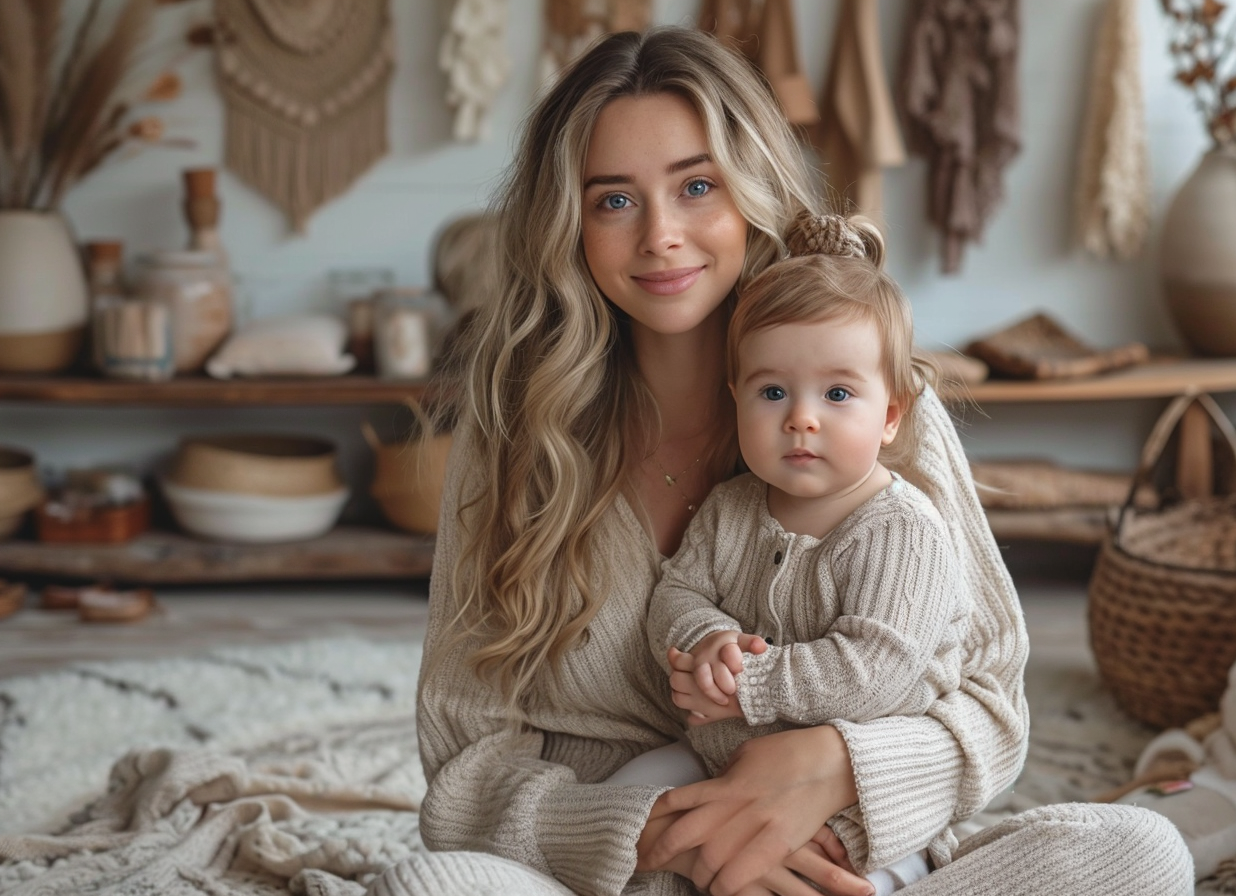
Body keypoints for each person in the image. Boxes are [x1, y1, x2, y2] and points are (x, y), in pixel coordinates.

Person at [397, 25, 1192, 896]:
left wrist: (831, 766)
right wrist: (656, 832)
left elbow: (994, 706)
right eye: (613, 200)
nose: (662, 236)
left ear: (752, 191)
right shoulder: (518, 425)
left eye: (697, 186)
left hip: (845, 849)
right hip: (619, 866)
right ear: (568, 225)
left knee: (1141, 856)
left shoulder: (871, 399)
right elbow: (463, 762)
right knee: (427, 887)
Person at [631, 211, 962, 895]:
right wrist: (708, 640)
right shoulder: (733, 508)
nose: (801, 418)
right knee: (634, 798)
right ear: (738, 398)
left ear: (893, 413)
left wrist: (749, 684)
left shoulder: (901, 528)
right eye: (773, 391)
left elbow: (877, 671)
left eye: (838, 394)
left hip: (853, 795)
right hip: (718, 762)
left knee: (845, 872)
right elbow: (676, 592)